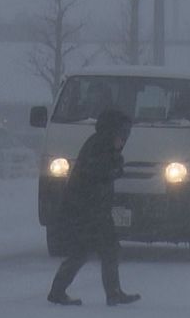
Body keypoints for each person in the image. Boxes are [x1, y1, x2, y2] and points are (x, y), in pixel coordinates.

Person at [47, 108, 141, 306]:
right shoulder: (100, 146)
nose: (124, 139)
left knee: (95, 250)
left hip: (91, 208)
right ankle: (109, 293)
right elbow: (97, 174)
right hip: (86, 208)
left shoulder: (102, 144)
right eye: (122, 134)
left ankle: (108, 292)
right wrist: (115, 167)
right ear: (114, 131)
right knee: (96, 250)